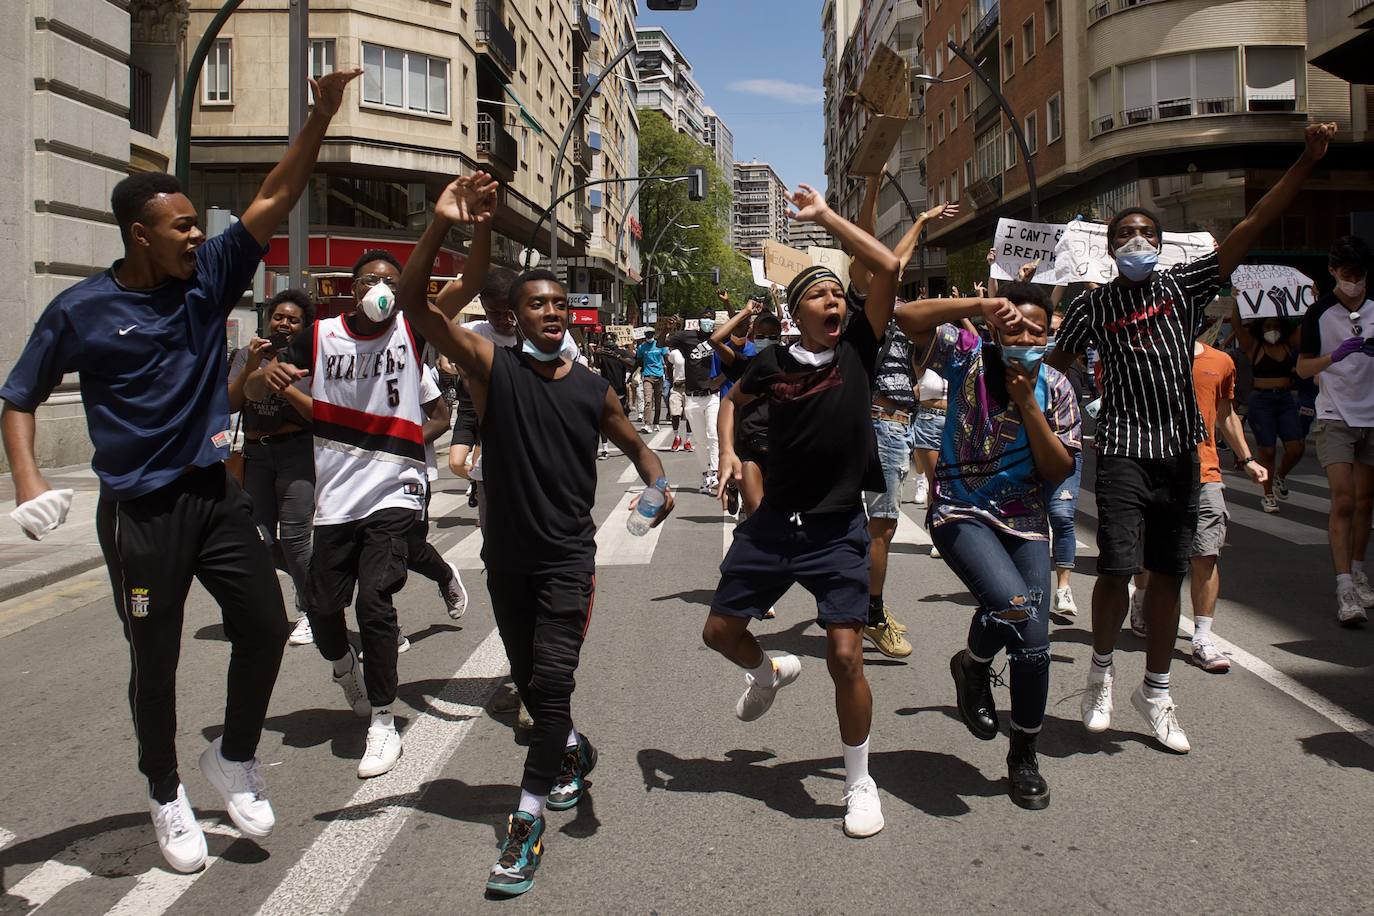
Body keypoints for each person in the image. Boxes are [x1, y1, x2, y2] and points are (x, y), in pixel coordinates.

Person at [0, 66, 362, 873]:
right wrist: (28, 482)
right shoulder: (81, 310)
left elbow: (275, 194)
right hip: (141, 515)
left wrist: (320, 117)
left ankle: (232, 757)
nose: (199, 236)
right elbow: (18, 397)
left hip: (213, 492)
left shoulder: (209, 278)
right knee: (155, 660)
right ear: (141, 234)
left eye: (199, 225)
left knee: (266, 626)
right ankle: (164, 791)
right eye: (183, 227)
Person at [397, 172, 673, 897]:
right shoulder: (492, 370)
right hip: (506, 561)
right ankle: (572, 750)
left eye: (557, 302)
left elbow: (641, 450)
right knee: (532, 686)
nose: (550, 310)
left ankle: (525, 823)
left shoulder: (593, 388)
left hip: (566, 562)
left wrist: (656, 486)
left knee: (549, 687)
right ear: (514, 319)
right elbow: (415, 307)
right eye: (535, 303)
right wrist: (445, 223)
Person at [1047, 121, 1339, 753]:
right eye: (1124, 234)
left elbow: (1253, 223)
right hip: (1122, 450)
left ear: (1161, 245)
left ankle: (1155, 692)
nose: (1136, 241)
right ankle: (1100, 674)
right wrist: (1027, 404)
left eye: (1146, 234)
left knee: (1167, 574)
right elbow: (1054, 369)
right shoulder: (1091, 307)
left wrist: (1305, 161)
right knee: (1116, 569)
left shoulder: (1183, 287)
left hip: (1181, 454)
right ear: (1109, 248)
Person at [709, 184, 900, 839]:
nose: (833, 301)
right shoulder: (770, 361)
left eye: (838, 294)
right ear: (796, 313)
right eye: (819, 294)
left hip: (837, 528)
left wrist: (824, 218)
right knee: (719, 633)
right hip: (773, 526)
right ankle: (767, 672)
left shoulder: (858, 349)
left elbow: (889, 266)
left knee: (846, 656)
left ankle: (859, 782)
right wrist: (728, 453)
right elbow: (732, 400)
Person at [247, 246, 457, 779]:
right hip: (337, 497)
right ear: (351, 288)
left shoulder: (409, 332)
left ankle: (384, 721)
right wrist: (264, 376)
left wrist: (407, 443)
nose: (378, 289)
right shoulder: (320, 337)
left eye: (390, 281)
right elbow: (252, 389)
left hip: (394, 488)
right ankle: (344, 668)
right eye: (368, 281)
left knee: (375, 601)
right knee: (321, 607)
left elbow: (438, 410)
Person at [896, 282, 1079, 809]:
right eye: (1015, 328)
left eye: (1038, 331)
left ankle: (1023, 756)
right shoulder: (967, 357)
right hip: (961, 509)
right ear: (997, 330)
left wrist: (1027, 405)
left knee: (1034, 645)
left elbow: (1058, 469)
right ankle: (975, 665)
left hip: (1025, 521)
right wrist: (978, 305)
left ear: (1051, 333)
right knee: (1011, 605)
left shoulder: (1058, 388)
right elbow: (908, 317)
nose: (1026, 338)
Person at [1136, 338, 1267, 672]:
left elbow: (1226, 414)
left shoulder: (1221, 361)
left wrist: (1247, 459)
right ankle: (1141, 597)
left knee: (1206, 554)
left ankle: (1202, 638)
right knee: (1152, 551)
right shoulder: (1144, 352)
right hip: (1153, 468)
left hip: (1204, 471)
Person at [228, 289, 316, 646]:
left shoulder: (312, 358)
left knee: (295, 538)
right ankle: (309, 587)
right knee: (259, 539)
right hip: (256, 456)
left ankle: (312, 611)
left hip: (297, 453)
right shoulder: (246, 356)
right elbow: (230, 403)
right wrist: (253, 366)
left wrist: (284, 385)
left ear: (304, 327)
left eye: (293, 320)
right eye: (279, 317)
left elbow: (319, 413)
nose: (284, 324)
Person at [1297, 234, 1374, 624]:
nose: (1353, 282)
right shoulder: (1319, 313)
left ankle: (1358, 571)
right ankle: (1344, 588)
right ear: (1332, 272)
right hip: (1335, 415)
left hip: (1372, 416)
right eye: (1347, 274)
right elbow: (1303, 368)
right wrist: (1334, 357)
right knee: (1343, 499)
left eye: (1359, 275)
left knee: (1365, 502)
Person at [709, 300, 780, 517]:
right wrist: (745, 312)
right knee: (756, 510)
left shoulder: (791, 363)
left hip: (782, 445)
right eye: (761, 336)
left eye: (772, 336)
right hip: (750, 444)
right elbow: (715, 340)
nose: (766, 340)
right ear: (752, 336)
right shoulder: (744, 363)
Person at [1230, 304, 1304, 512]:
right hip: (1261, 401)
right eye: (1268, 326)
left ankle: (1280, 475)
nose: (1272, 330)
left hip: (1285, 400)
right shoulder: (1253, 346)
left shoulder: (1289, 344)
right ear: (1260, 328)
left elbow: (1306, 324)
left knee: (1297, 448)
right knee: (1267, 450)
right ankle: (1268, 494)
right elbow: (1236, 325)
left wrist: (1311, 300)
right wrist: (1237, 301)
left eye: (1276, 326)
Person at [668, 307, 725, 494]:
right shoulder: (686, 337)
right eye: (704, 317)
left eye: (711, 318)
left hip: (712, 396)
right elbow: (662, 342)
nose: (708, 320)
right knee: (700, 441)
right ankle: (705, 474)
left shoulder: (718, 337)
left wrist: (721, 379)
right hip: (692, 398)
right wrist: (667, 328)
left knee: (713, 435)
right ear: (698, 320)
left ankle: (715, 473)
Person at [590, 331, 636, 459]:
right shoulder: (602, 353)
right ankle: (605, 448)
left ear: (615, 340)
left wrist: (617, 357)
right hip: (606, 390)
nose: (609, 342)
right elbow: (597, 365)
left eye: (611, 339)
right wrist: (596, 353)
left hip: (620, 389)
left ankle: (628, 444)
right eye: (607, 339)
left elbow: (632, 364)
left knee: (623, 418)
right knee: (603, 419)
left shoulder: (621, 352)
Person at [636, 330, 669, 432]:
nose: (649, 336)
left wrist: (669, 374)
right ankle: (647, 424)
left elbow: (666, 359)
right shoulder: (641, 347)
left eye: (650, 334)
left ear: (653, 335)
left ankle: (656, 422)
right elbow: (638, 361)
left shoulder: (660, 345)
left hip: (659, 376)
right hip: (647, 376)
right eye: (647, 334)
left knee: (658, 401)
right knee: (648, 400)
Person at [665, 344, 694, 453]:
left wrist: (685, 381)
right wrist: (671, 380)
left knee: (689, 415)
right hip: (676, 389)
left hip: (689, 388)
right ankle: (677, 437)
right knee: (675, 413)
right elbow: (668, 365)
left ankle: (688, 441)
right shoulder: (675, 353)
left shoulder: (694, 352)